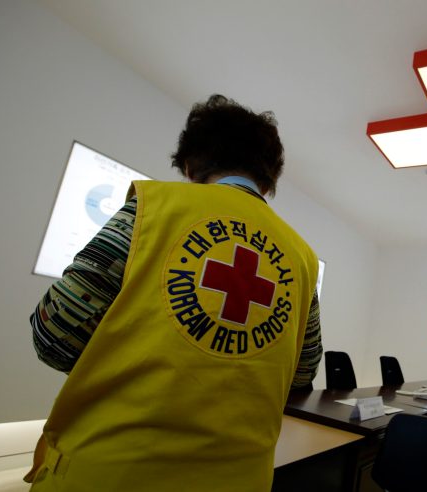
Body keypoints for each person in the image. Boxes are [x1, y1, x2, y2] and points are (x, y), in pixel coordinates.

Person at [27, 95, 322, 491]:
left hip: (113, 474)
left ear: (189, 166)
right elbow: (302, 376)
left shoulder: (153, 208)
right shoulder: (302, 257)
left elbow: (54, 335)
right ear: (268, 180)